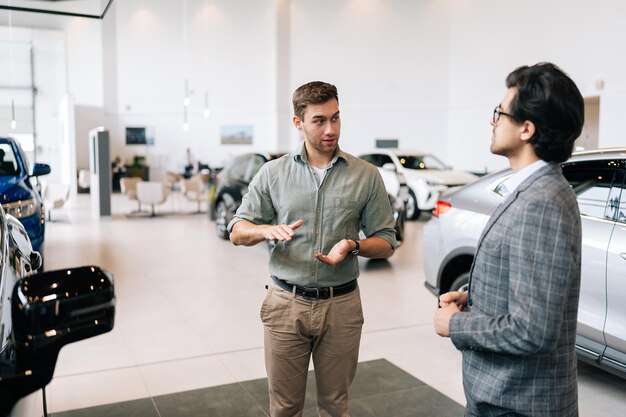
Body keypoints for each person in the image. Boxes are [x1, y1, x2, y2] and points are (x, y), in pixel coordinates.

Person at [228, 81, 397, 417]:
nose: (330, 129)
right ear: (298, 123)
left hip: (342, 306)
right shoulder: (273, 174)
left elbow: (386, 241)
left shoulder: (366, 175)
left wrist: (353, 245)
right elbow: (237, 229)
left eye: (335, 118)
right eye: (319, 120)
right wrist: (264, 230)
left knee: (336, 406)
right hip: (285, 305)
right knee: (285, 408)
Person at [433, 62, 584, 416]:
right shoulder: (534, 189)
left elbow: (532, 330)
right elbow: (532, 289)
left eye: (500, 113)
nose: (493, 120)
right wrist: (475, 297)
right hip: (503, 397)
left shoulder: (541, 203)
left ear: (526, 129)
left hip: (518, 403)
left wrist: (456, 325)